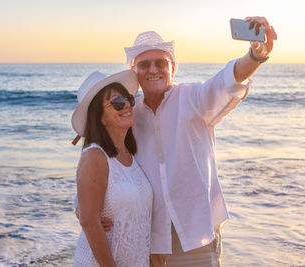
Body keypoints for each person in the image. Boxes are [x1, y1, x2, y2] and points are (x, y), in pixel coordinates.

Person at [96, 16, 277, 266]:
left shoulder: (194, 98)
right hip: (149, 241)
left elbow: (228, 81)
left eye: (161, 62)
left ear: (172, 68)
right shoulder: (128, 114)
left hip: (197, 237)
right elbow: (105, 162)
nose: (153, 70)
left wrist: (255, 56)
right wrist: (95, 210)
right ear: (134, 72)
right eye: (144, 65)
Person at [71, 70, 153, 266]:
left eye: (129, 100)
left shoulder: (131, 155)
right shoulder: (95, 156)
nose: (126, 106)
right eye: (117, 103)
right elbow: (89, 221)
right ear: (99, 117)